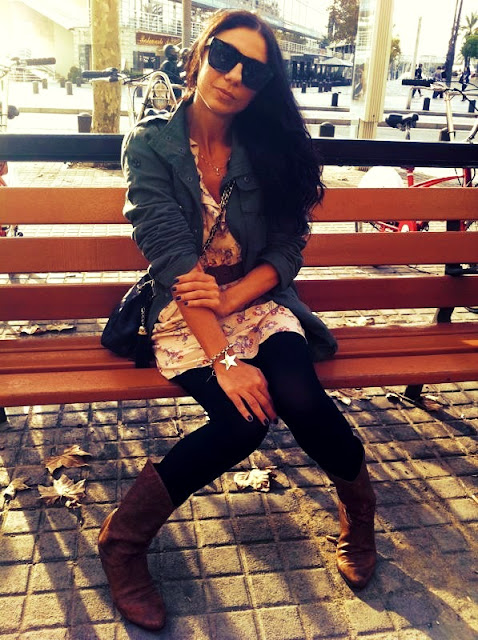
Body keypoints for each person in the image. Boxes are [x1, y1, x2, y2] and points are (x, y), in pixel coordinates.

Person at [98, 9, 376, 631]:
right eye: (225, 57)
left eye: (254, 72)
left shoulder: (269, 147)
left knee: (300, 397)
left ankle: (360, 512)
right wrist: (224, 359)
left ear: (264, 87)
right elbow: (171, 257)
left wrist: (232, 300)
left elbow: (287, 249)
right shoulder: (151, 144)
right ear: (200, 56)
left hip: (254, 302)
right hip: (182, 312)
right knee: (242, 421)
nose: (233, 77)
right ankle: (123, 543)